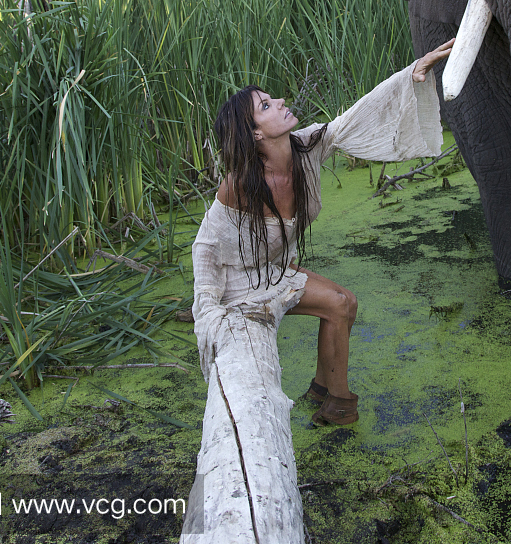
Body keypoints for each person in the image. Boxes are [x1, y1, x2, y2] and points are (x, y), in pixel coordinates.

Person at [191, 39, 454, 427]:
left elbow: (356, 117)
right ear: (257, 135)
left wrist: (410, 75)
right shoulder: (239, 185)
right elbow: (207, 246)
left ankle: (320, 387)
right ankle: (340, 406)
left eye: (271, 99)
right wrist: (208, 308)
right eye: (266, 106)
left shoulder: (306, 148)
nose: (280, 101)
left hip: (271, 270)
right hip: (238, 283)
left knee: (348, 301)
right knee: (336, 303)